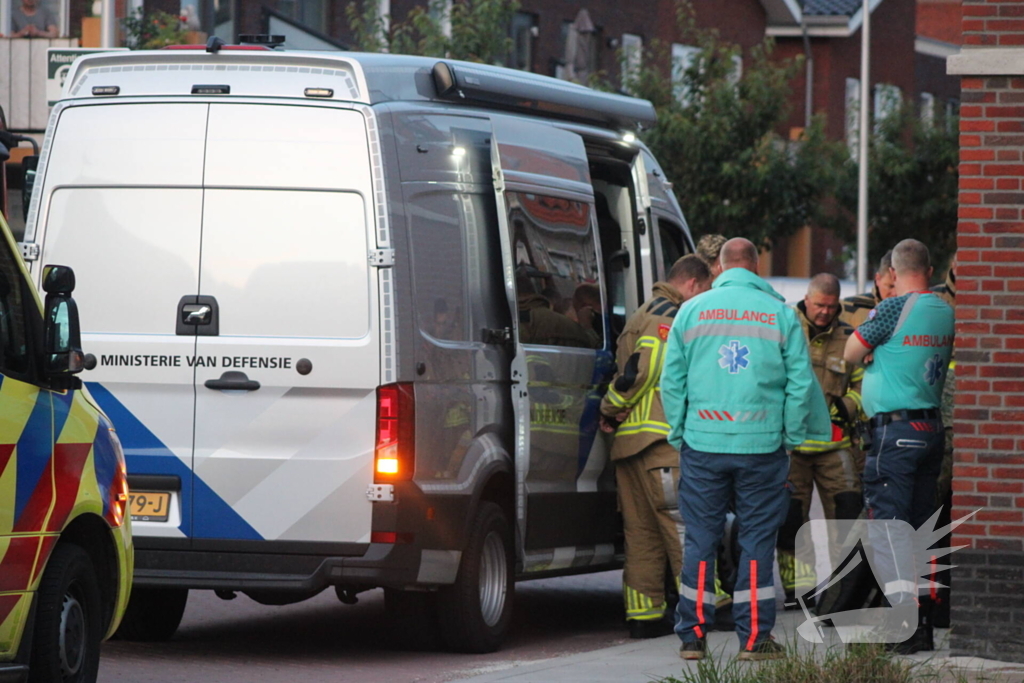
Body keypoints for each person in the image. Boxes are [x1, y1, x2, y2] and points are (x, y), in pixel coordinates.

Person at [662, 238, 830, 661]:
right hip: (762, 447)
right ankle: (755, 639)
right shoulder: (779, 314)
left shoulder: (691, 311)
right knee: (757, 540)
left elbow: (672, 381)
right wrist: (790, 437)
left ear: (719, 268)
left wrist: (680, 432)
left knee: (700, 538)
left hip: (703, 444)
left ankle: (692, 637)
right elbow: (800, 384)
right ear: (755, 267)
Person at [843, 238, 954, 654]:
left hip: (895, 433)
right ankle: (923, 622)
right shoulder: (945, 310)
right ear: (929, 267)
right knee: (923, 529)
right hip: (931, 429)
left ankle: (902, 625)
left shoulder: (892, 308)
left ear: (892, 273)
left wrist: (874, 356)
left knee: (889, 531)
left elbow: (852, 352)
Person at [600, 255, 711, 639]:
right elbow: (641, 371)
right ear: (693, 284)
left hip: (631, 446)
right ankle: (703, 609)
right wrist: (610, 408)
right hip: (661, 443)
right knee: (682, 526)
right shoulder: (669, 315)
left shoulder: (646, 309)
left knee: (642, 532)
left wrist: (615, 417)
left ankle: (644, 615)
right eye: (707, 289)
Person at [776, 274, 865, 610]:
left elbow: (861, 383)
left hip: (835, 445)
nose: (825, 312)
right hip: (793, 445)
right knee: (790, 520)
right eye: (819, 305)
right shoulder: (785, 328)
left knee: (847, 514)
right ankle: (799, 589)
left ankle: (844, 591)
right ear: (807, 301)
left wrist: (847, 406)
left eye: (832, 306)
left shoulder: (848, 337)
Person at [840, 249, 895, 328]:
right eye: (890, 286)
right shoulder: (849, 307)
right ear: (878, 279)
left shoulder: (914, 310)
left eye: (899, 286)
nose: (895, 293)